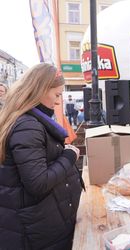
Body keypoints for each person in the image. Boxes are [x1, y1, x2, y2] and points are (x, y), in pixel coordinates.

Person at [0, 63, 83, 249]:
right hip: (32, 231)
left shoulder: (25, 121)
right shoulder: (28, 126)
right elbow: (38, 183)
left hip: (33, 223)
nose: (57, 101)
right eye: (57, 95)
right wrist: (69, 156)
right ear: (40, 90)